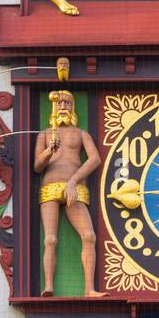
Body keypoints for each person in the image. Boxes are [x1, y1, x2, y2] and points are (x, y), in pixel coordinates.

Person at [35, 90, 104, 297]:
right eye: (60, 103)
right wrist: (48, 152)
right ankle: (48, 285)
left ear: (72, 108)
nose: (63, 106)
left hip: (74, 188)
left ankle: (89, 288)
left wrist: (73, 181)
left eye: (67, 103)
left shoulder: (81, 134)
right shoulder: (46, 134)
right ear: (54, 108)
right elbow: (37, 166)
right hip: (50, 187)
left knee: (89, 235)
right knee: (50, 239)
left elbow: (94, 159)